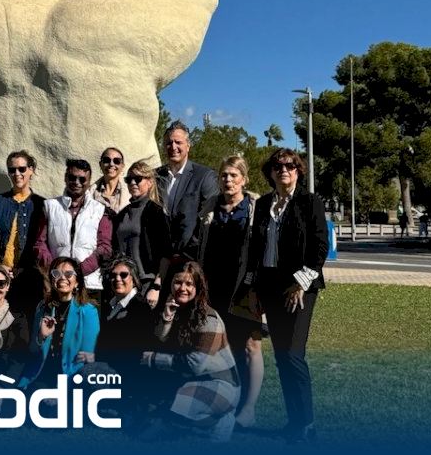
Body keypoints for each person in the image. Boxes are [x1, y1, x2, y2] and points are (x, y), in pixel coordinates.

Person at [246, 148, 329, 443]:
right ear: (270, 172)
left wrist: (300, 284)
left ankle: (307, 424)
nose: (284, 170)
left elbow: (320, 247)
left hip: (300, 289)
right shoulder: (264, 204)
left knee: (293, 355)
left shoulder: (310, 202)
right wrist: (253, 288)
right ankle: (294, 422)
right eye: (278, 166)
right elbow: (255, 251)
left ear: (298, 171)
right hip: (269, 287)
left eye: (290, 166)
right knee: (282, 357)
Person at [190, 155, 264, 427]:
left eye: (234, 175)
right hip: (214, 287)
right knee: (220, 346)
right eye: (224, 175)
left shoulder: (255, 208)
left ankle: (249, 408)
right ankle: (222, 402)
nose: (228, 180)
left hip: (246, 287)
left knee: (251, 346)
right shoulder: (210, 207)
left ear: (244, 179)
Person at [141, 261, 240, 442]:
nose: (182, 288)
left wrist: (153, 359)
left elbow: (195, 365)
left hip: (221, 384)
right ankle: (174, 418)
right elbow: (160, 340)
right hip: (190, 379)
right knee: (156, 405)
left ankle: (220, 421)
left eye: (189, 284)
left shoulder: (208, 318)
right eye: (178, 282)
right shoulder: (177, 308)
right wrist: (167, 318)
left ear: (198, 288)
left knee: (178, 408)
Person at [20, 257, 100, 389]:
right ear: (52, 280)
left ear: (77, 282)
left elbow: (87, 356)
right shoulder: (42, 307)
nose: (62, 277)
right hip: (40, 375)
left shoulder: (88, 311)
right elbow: (33, 350)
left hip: (72, 378)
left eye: (68, 274)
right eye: (56, 273)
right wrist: (41, 336)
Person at [34, 159, 112, 293]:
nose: (76, 182)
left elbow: (105, 248)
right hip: (58, 282)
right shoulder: (49, 206)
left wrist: (78, 271)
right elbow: (39, 244)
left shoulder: (100, 210)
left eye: (82, 179)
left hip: (89, 283)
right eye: (72, 177)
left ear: (89, 181)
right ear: (65, 177)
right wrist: (56, 269)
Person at [0, 150, 47, 318]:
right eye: (12, 170)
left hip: (31, 279)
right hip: (0, 278)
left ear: (31, 170)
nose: (17, 174)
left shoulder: (42, 205)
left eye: (22, 169)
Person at [95, 256, 154, 419]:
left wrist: (96, 358)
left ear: (133, 279)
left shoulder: (140, 308)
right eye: (113, 275)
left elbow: (134, 352)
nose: (117, 279)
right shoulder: (111, 306)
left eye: (123, 275)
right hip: (112, 367)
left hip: (129, 374)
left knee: (87, 374)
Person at [114, 159, 172, 304]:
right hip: (123, 282)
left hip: (146, 283)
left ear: (150, 182)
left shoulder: (155, 211)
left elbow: (166, 253)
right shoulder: (122, 214)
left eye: (138, 179)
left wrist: (157, 286)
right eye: (129, 179)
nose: (133, 183)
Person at [156, 121, 218, 256]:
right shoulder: (155, 176)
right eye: (169, 143)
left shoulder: (204, 176)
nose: (173, 147)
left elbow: (209, 220)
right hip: (158, 256)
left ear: (188, 146)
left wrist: (190, 254)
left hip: (190, 256)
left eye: (178, 142)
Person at [91, 147, 131, 214]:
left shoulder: (130, 193)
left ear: (122, 166)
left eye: (117, 161)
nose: (111, 164)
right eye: (107, 160)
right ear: (100, 164)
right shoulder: (90, 192)